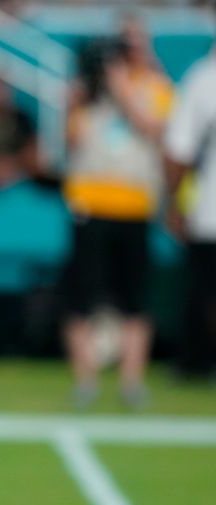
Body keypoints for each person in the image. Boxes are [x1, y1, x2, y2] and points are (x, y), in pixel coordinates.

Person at [61, 16, 174, 408]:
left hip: (134, 205)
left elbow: (155, 128)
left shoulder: (156, 89)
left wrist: (122, 86)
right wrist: (79, 97)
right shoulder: (89, 93)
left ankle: (131, 380)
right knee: (80, 295)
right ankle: (86, 379)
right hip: (91, 203)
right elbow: (71, 141)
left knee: (134, 297)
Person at [163, 4, 216, 381]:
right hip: (210, 209)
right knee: (203, 292)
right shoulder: (204, 79)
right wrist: (177, 204)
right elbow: (179, 150)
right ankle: (196, 362)